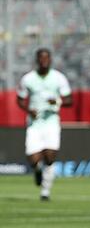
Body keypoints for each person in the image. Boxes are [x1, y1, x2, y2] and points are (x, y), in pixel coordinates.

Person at [17, 48, 72, 201]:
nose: (44, 61)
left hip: (51, 122)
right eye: (41, 58)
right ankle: (37, 171)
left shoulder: (59, 78)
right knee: (34, 159)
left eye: (46, 58)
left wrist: (58, 101)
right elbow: (20, 99)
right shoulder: (28, 79)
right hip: (34, 124)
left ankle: (45, 191)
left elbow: (69, 100)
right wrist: (29, 110)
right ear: (37, 60)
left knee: (50, 156)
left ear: (50, 60)